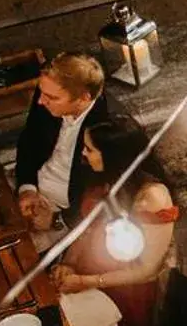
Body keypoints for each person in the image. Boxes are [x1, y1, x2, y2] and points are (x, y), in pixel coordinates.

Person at [50, 116, 187, 326]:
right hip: (94, 270)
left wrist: (85, 281)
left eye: (90, 149)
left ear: (114, 154)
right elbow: (87, 228)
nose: (84, 154)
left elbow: (146, 269)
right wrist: (69, 263)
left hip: (137, 292)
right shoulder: (102, 176)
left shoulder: (151, 198)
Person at [14, 53, 114, 234]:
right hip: (34, 189)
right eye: (41, 92)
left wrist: (56, 220)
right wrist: (26, 187)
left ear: (84, 97)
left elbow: (105, 194)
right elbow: (29, 141)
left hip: (69, 215)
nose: (40, 101)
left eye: (52, 97)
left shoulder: (107, 129)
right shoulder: (48, 94)